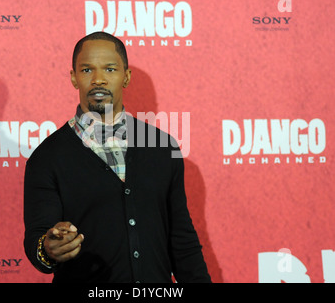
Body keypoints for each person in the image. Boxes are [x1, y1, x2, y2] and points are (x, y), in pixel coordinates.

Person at [23, 31, 211, 283]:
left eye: (110, 70)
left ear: (126, 76)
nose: (98, 79)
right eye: (87, 70)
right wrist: (48, 250)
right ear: (73, 78)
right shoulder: (46, 157)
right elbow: (38, 241)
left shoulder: (162, 146)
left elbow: (182, 240)